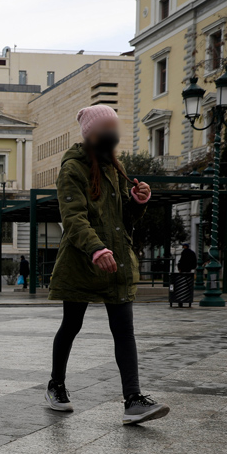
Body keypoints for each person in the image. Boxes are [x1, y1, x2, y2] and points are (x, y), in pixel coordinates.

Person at [46, 104, 169, 425]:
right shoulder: (73, 169)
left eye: (116, 129)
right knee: (71, 325)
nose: (114, 136)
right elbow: (73, 219)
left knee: (124, 330)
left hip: (115, 263)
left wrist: (138, 202)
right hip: (81, 262)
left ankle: (133, 399)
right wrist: (95, 248)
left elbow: (121, 220)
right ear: (92, 135)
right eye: (108, 130)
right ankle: (56, 385)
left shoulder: (115, 168)